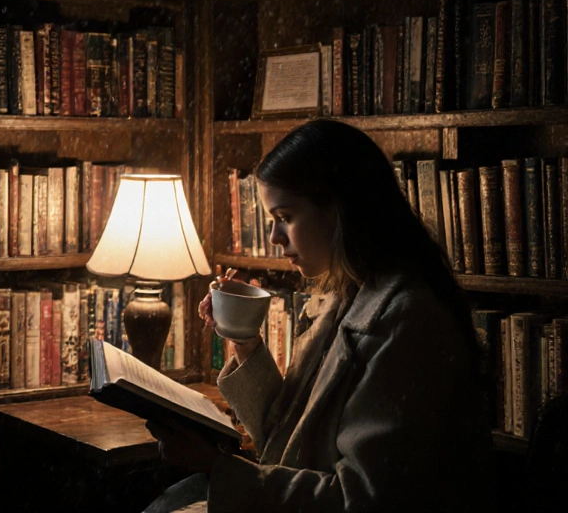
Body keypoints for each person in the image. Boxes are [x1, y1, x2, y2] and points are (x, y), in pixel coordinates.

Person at [142, 119, 494, 513]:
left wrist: (216, 466)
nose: (275, 238)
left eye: (285, 217)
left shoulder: (405, 322)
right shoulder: (341, 296)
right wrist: (241, 337)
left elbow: (361, 500)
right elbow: (287, 438)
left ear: (339, 209)